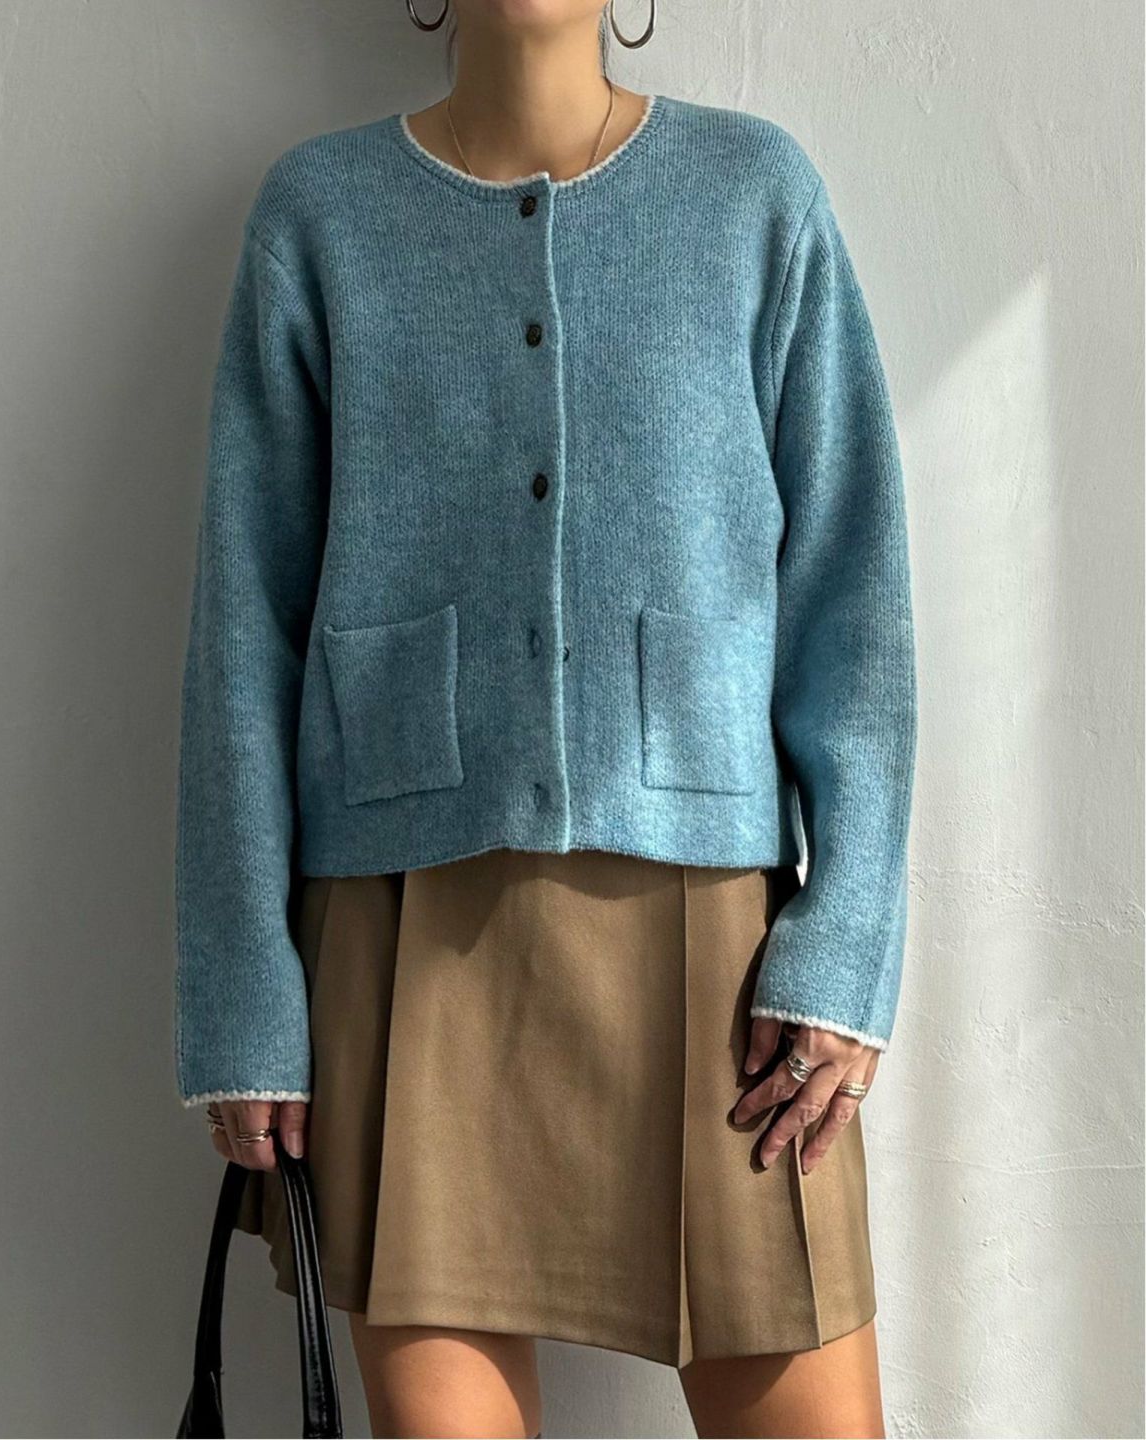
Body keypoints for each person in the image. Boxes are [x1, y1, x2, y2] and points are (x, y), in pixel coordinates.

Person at [172, 2, 917, 1435]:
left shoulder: (755, 197)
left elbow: (854, 595)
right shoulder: (319, 217)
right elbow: (242, 631)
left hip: (723, 963)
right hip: (405, 948)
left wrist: (847, 944)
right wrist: (243, 993)